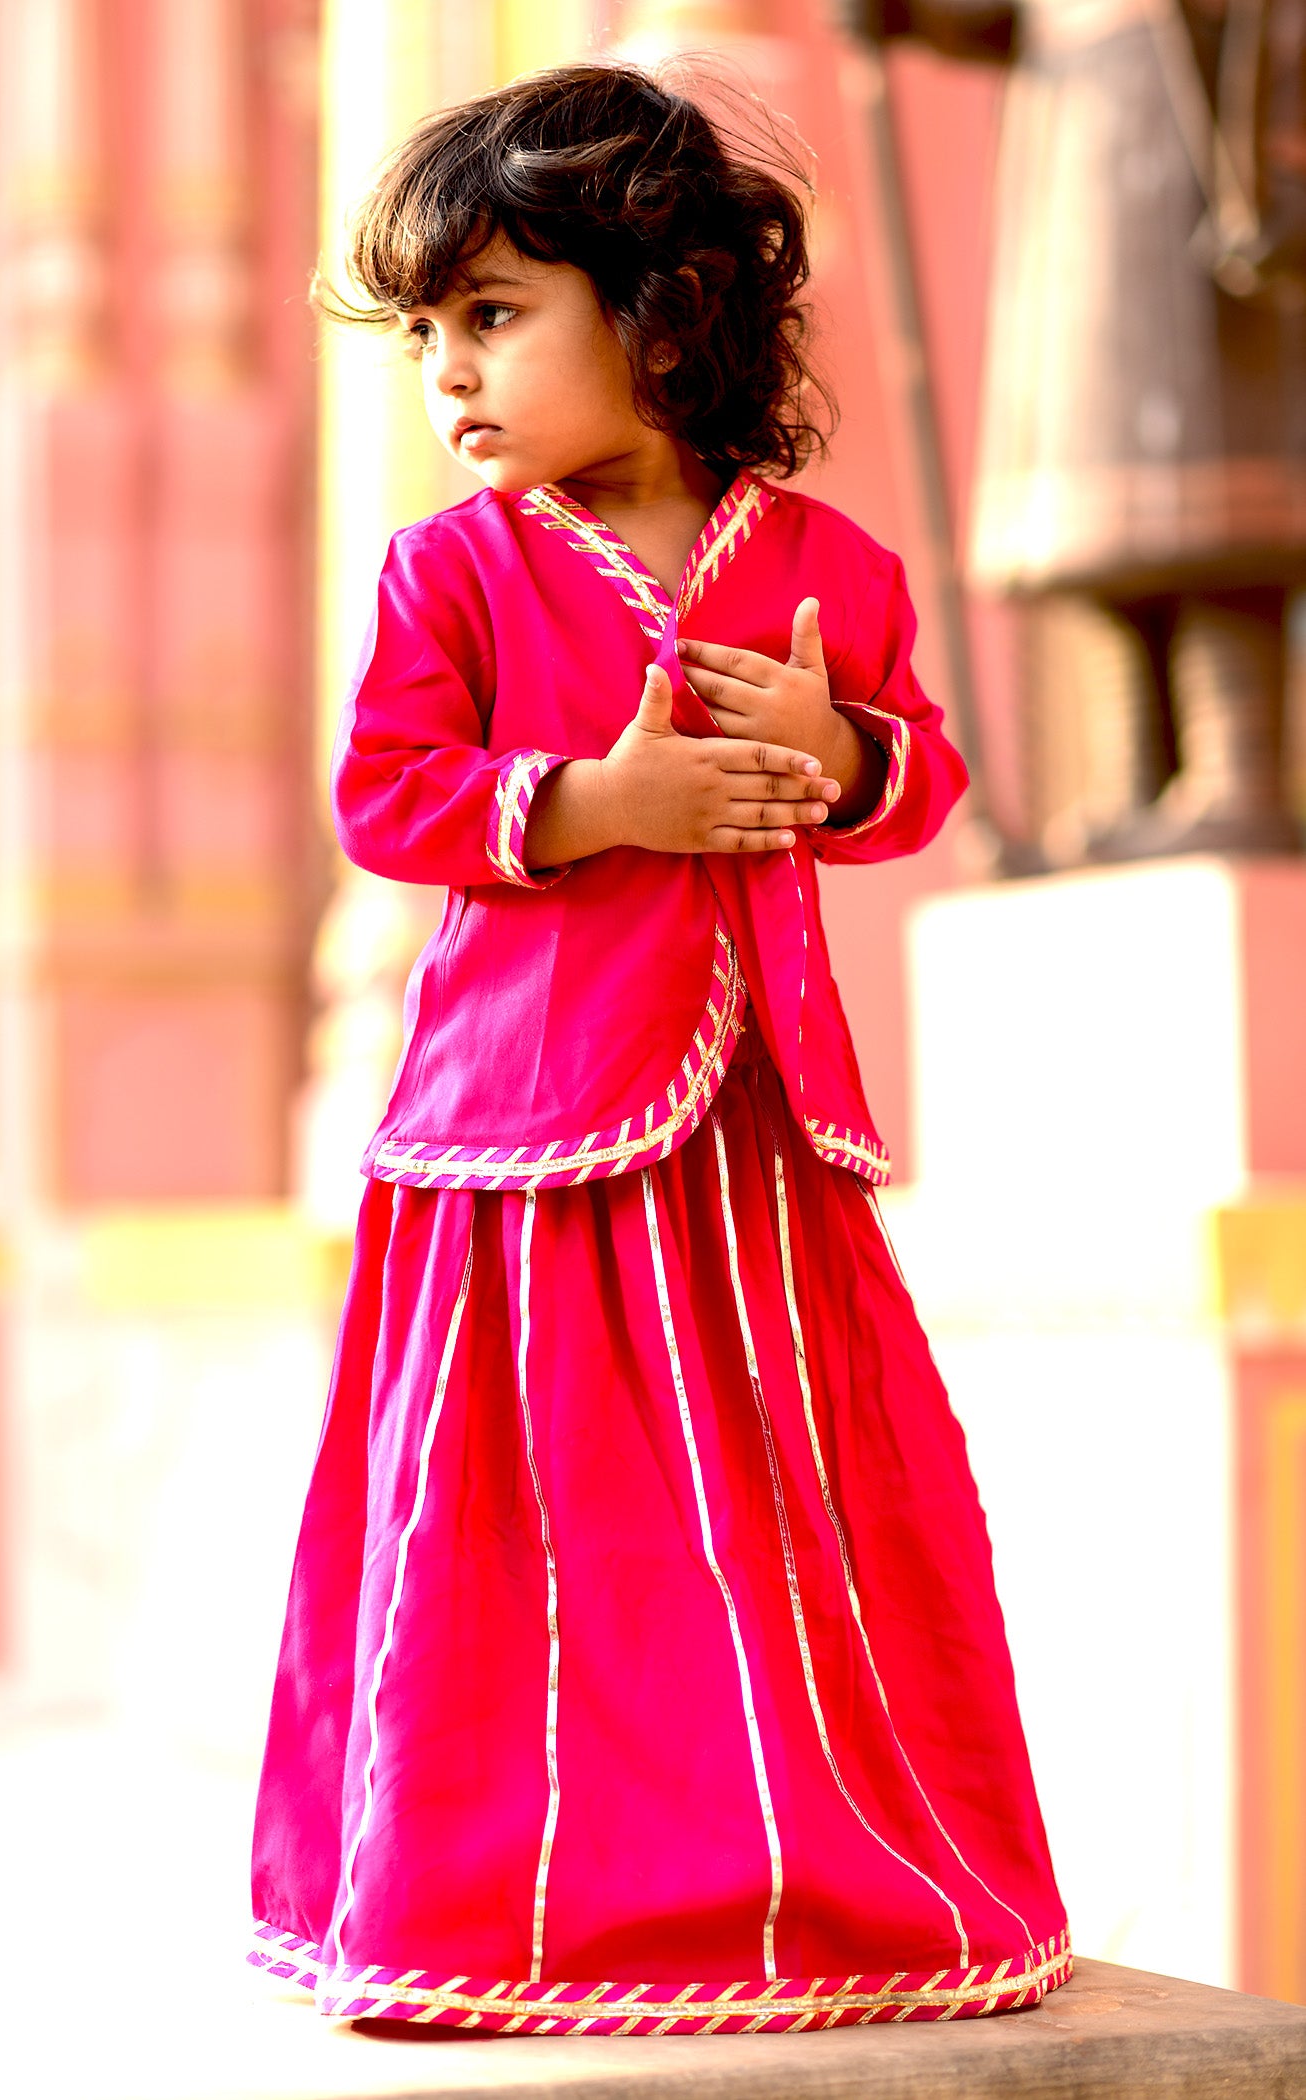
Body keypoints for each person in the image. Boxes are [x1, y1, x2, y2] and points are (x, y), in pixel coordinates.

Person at [249, 61, 1069, 2034]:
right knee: (539, 1543)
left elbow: (918, 766)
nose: (451, 373)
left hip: (754, 1155)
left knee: (784, 1523)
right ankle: (488, 1904)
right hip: (519, 1150)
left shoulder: (829, 571)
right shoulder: (451, 570)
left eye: (495, 314)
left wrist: (840, 755)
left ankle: (810, 1880)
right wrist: (590, 806)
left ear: (668, 305)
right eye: (429, 331)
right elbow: (388, 798)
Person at [837, 1, 1306, 862]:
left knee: (1213, 499)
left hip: (1190, 150)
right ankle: (1134, 784)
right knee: (1097, 514)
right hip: (1077, 166)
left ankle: (1238, 776)